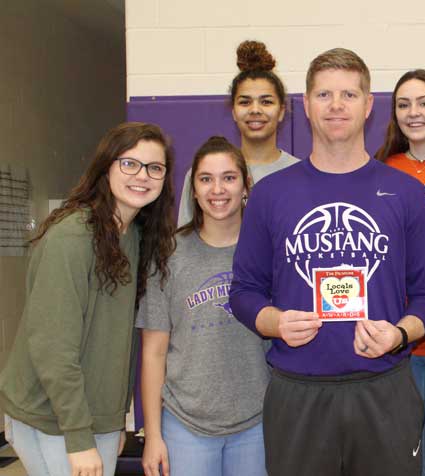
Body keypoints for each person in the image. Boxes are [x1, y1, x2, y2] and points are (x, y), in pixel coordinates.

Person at [229, 48, 425, 476]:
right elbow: (243, 293)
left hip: (384, 388)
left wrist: (399, 334)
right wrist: (276, 322)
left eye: (348, 94)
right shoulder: (271, 194)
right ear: (305, 105)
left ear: (368, 106)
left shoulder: (404, 193)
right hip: (298, 393)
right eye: (324, 94)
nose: (336, 105)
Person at [0, 122, 176, 476]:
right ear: (106, 166)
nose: (142, 176)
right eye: (129, 163)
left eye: (154, 168)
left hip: (96, 417)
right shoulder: (72, 237)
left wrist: (114, 422)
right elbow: (53, 347)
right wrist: (79, 438)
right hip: (52, 417)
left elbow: (120, 342)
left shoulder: (137, 238)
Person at [138, 136, 268, 476]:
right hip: (186, 424)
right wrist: (153, 435)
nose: (217, 189)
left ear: (245, 186)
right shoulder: (167, 254)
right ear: (193, 189)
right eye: (206, 179)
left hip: (257, 422)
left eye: (228, 177)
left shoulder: (269, 252)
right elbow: (153, 352)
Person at [375, 68, 425, 476]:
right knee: (413, 455)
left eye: (424, 102)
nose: (414, 112)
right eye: (404, 104)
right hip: (405, 339)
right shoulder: (381, 170)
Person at [177, 39, 299, 226]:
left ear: (281, 111)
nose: (255, 110)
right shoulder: (203, 173)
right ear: (234, 111)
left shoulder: (300, 174)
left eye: (266, 102)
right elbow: (185, 242)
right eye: (245, 102)